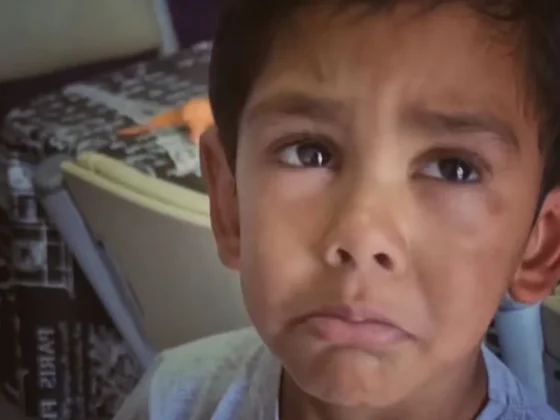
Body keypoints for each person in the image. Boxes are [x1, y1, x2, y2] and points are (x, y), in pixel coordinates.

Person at [113, 0, 560, 418]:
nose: (362, 237)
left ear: (540, 246)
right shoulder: (170, 400)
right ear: (230, 202)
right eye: (308, 153)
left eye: (453, 169)